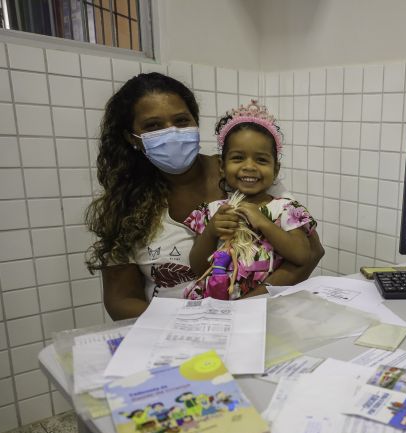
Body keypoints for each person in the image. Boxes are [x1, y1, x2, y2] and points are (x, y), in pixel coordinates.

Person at [84, 73, 324, 319]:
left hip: (254, 317)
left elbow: (310, 252)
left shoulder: (244, 175)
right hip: (171, 333)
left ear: (195, 123)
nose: (172, 134)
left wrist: (245, 307)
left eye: (181, 120)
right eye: (153, 126)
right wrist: (187, 323)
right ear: (131, 137)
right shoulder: (126, 203)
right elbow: (120, 300)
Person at [186, 101, 316, 300]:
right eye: (238, 158)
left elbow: (302, 256)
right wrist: (211, 231)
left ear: (276, 169)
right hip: (216, 305)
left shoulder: (285, 209)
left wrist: (264, 223)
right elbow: (198, 267)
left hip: (267, 305)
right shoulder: (212, 211)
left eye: (261, 160)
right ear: (222, 166)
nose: (249, 166)